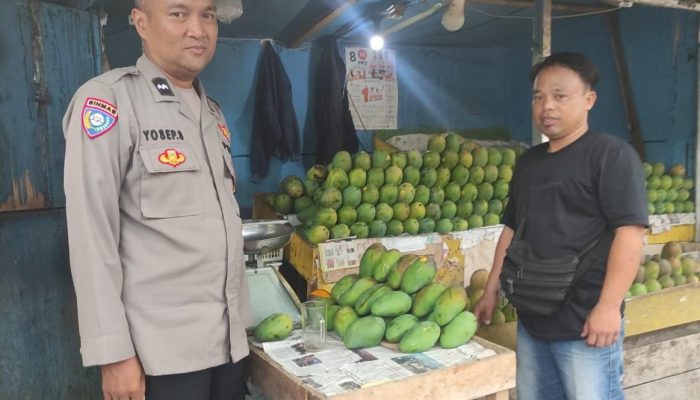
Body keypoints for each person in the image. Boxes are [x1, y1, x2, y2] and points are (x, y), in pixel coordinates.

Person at [62, 0, 252, 399]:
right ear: (141, 23)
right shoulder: (109, 101)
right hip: (160, 359)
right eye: (179, 14)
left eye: (208, 15)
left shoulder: (212, 113)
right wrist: (113, 355)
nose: (198, 29)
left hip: (229, 347)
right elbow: (91, 237)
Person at [474, 52, 648, 400]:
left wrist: (609, 306)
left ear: (589, 100)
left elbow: (630, 233)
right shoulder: (529, 162)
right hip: (533, 318)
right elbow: (511, 229)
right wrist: (491, 287)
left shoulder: (610, 155)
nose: (547, 106)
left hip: (586, 323)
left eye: (559, 96)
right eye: (539, 97)